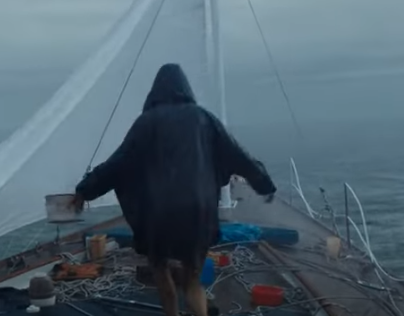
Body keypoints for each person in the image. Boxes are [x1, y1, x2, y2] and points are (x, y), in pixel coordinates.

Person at [70, 63, 276, 316]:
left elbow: (118, 163)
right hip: (197, 212)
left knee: (161, 270)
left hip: (158, 213)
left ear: (154, 92)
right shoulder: (203, 117)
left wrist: (84, 190)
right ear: (185, 88)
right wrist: (263, 183)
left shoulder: (145, 123)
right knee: (192, 281)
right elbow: (239, 156)